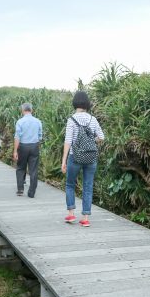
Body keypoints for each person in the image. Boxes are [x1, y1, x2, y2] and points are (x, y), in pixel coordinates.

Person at [61, 91, 104, 227]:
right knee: (88, 186)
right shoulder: (93, 119)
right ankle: (85, 217)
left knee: (70, 184)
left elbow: (68, 141)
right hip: (91, 157)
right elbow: (101, 137)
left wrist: (63, 161)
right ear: (87, 103)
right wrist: (91, 141)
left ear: (75, 103)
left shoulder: (71, 120)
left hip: (75, 156)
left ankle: (71, 214)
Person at [13, 103, 43, 198]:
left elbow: (17, 137)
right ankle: (31, 193)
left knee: (20, 168)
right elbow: (40, 136)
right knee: (33, 170)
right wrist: (36, 146)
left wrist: (15, 151)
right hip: (34, 146)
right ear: (31, 110)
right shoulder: (38, 121)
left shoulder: (20, 122)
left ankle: (20, 190)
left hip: (23, 147)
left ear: (22, 111)